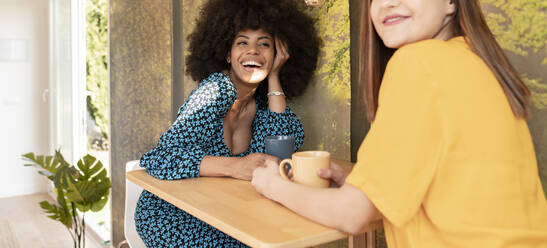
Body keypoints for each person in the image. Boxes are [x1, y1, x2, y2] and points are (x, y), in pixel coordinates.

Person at [252, 0, 547, 247]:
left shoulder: (419, 63)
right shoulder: (475, 61)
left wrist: (273, 186)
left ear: (451, 2)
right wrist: (371, 187)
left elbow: (352, 214)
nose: (388, 3)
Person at [134, 0, 320, 247]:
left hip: (219, 212)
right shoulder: (215, 90)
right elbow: (160, 157)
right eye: (242, 42)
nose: (253, 51)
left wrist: (274, 77)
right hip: (171, 212)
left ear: (277, 56)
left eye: (264, 44)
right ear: (227, 54)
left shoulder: (262, 107)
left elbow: (283, 147)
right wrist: (235, 166)